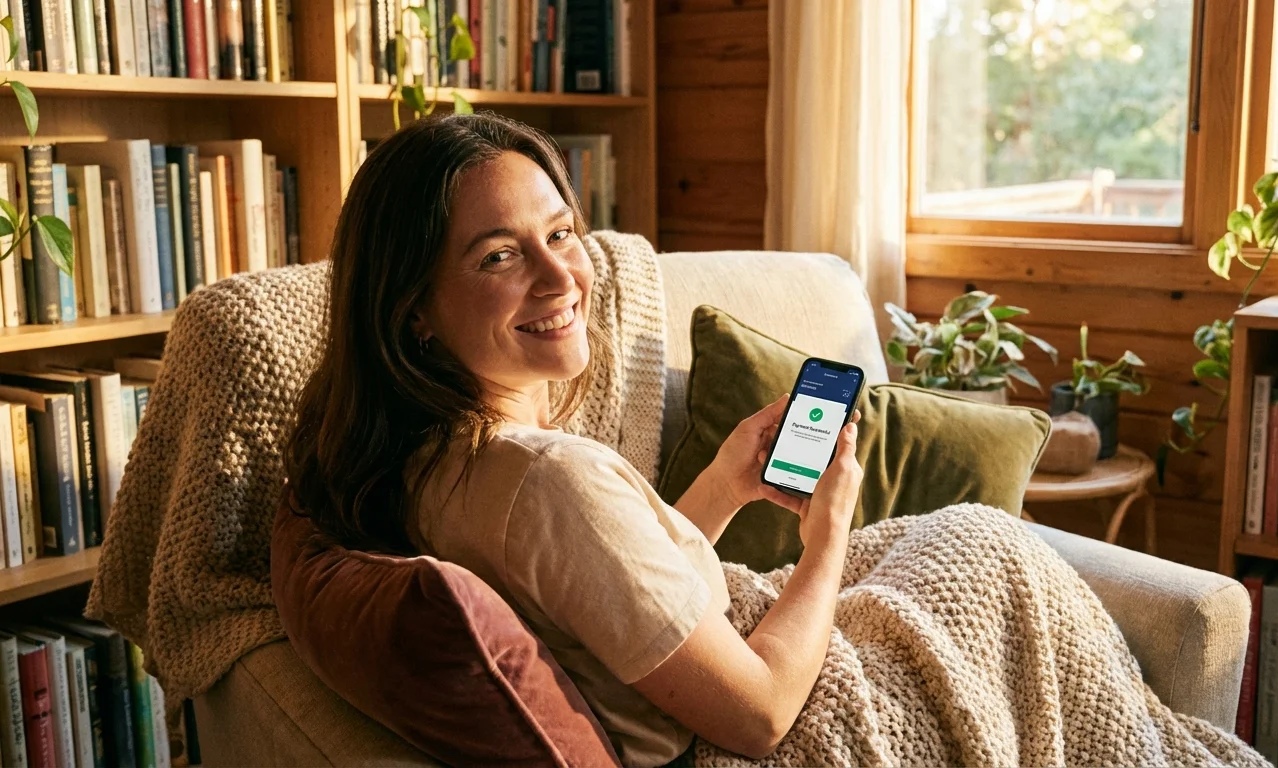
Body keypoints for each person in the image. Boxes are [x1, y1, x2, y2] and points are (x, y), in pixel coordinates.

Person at [284, 112, 863, 766]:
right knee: (981, 547)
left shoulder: (429, 456)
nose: (561, 278)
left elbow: (607, 601)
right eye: (499, 255)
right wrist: (829, 536)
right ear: (412, 305)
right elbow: (760, 714)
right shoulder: (549, 481)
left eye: (561, 233)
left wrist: (723, 486)